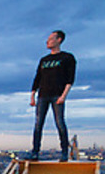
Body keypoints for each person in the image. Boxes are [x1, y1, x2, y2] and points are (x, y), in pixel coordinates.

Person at [27, 30, 76, 161]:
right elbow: (37, 78)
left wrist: (64, 96)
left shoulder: (67, 58)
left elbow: (70, 79)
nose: (47, 41)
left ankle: (64, 152)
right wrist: (32, 95)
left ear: (59, 40)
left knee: (60, 123)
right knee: (38, 124)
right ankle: (35, 152)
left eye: (51, 39)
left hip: (57, 95)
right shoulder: (44, 60)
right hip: (43, 95)